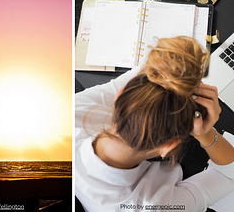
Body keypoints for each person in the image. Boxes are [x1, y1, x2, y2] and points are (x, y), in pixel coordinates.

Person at [75, 36, 234, 212]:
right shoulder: (155, 206)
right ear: (168, 147)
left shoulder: (71, 113)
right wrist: (206, 134)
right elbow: (229, 174)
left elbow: (142, 72)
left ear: (119, 96)